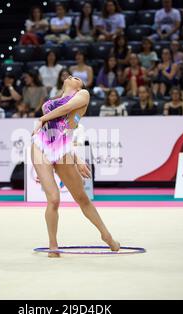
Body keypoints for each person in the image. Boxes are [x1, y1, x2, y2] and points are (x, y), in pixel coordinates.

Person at [31, 75, 120, 257]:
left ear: (80, 87)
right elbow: (54, 130)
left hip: (63, 149)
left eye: (77, 78)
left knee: (82, 198)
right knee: (54, 199)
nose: (72, 76)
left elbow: (66, 113)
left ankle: (106, 235)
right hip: (40, 145)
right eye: (70, 76)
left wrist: (41, 119)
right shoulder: (50, 102)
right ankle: (53, 246)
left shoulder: (83, 95)